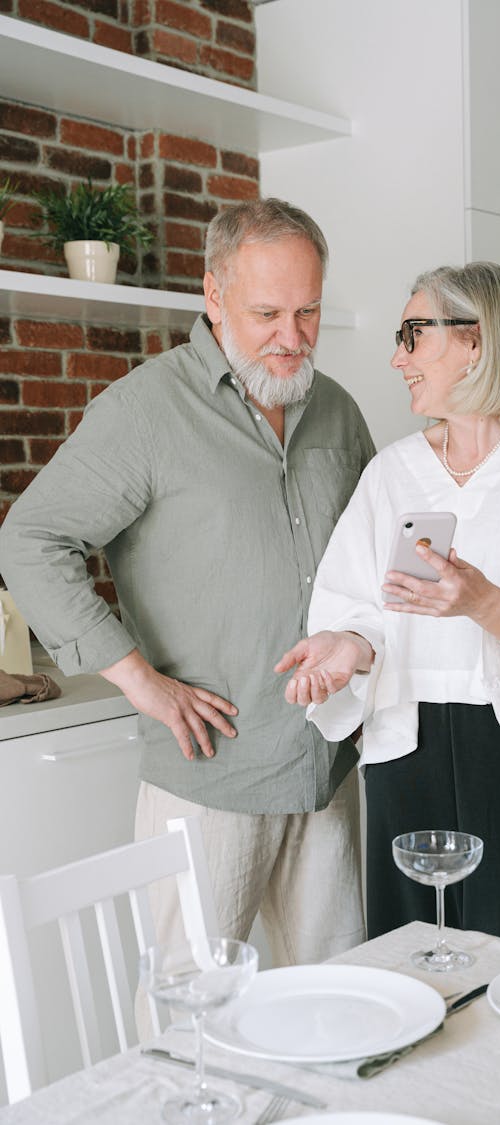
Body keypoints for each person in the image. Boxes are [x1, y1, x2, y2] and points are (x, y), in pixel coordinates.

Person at [0, 198, 375, 965]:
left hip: (328, 766)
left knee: (337, 1007)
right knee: (189, 1024)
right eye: (267, 311)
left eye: (309, 312)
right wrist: (139, 680)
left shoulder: (337, 411)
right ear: (213, 294)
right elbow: (31, 539)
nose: (292, 337)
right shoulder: (146, 411)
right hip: (211, 776)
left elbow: (368, 564)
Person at [276, 261, 500, 953]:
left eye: (413, 333)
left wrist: (481, 600)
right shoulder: (392, 472)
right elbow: (360, 605)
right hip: (408, 745)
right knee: (415, 962)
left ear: (477, 340)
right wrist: (347, 646)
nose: (397, 356)